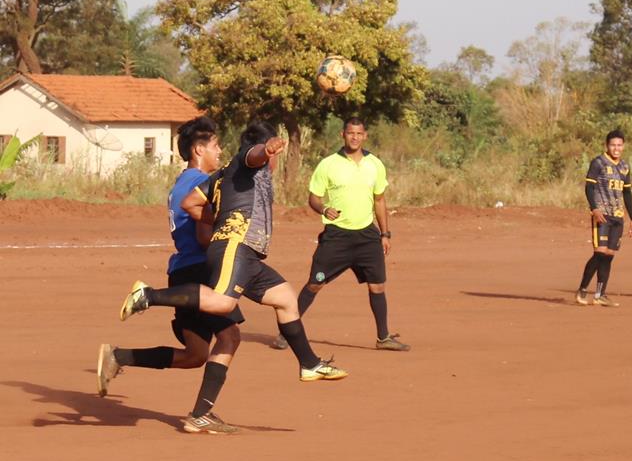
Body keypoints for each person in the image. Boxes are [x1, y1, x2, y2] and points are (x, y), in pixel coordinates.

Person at [119, 120, 348, 382]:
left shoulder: (216, 178)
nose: (220, 150)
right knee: (224, 312)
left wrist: (217, 220)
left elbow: (190, 203)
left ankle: (309, 363)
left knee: (284, 299)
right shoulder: (243, 164)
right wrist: (266, 149)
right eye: (215, 145)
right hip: (223, 254)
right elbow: (250, 157)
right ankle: (148, 296)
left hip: (237, 254)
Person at [97, 116, 244, 434]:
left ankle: (118, 356)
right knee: (230, 336)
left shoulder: (181, 183)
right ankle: (201, 415)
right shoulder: (198, 184)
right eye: (216, 145)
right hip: (200, 272)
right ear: (199, 149)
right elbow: (205, 237)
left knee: (195, 355)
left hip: (182, 271)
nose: (220, 151)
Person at [273, 117, 409, 351]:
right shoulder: (328, 164)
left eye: (359, 133)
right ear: (342, 135)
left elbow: (379, 200)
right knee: (315, 284)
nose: (354, 137)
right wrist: (324, 208)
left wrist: (385, 234)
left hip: (367, 235)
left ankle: (383, 337)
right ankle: (286, 332)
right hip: (337, 237)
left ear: (365, 136)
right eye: (350, 133)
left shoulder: (375, 164)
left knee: (377, 286)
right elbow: (314, 197)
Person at [575, 129, 632, 307]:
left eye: (619, 145)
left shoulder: (625, 166)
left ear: (623, 146)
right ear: (607, 146)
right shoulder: (598, 163)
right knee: (599, 254)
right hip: (602, 215)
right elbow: (589, 187)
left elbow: (627, 193)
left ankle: (600, 295)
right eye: (613, 145)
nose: (616, 148)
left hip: (618, 217)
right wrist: (594, 208)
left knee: (609, 255)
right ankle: (582, 290)